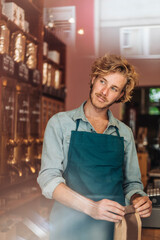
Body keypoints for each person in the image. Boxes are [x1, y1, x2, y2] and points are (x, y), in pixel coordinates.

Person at [37, 54, 152, 240]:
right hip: (68, 226)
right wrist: (91, 207)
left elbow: (131, 183)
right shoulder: (60, 123)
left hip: (112, 227)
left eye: (114, 88)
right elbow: (48, 179)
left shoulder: (124, 133)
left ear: (120, 95)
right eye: (102, 81)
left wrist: (138, 198)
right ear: (93, 79)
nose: (104, 91)